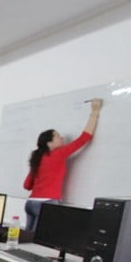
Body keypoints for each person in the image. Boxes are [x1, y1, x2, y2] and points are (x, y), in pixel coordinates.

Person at [23, 98, 103, 231]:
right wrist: (95, 111)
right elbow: (85, 137)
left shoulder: (37, 157)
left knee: (26, 239)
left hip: (30, 203)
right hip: (46, 203)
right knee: (40, 242)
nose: (62, 138)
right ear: (49, 143)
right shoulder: (58, 154)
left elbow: (27, 185)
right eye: (58, 137)